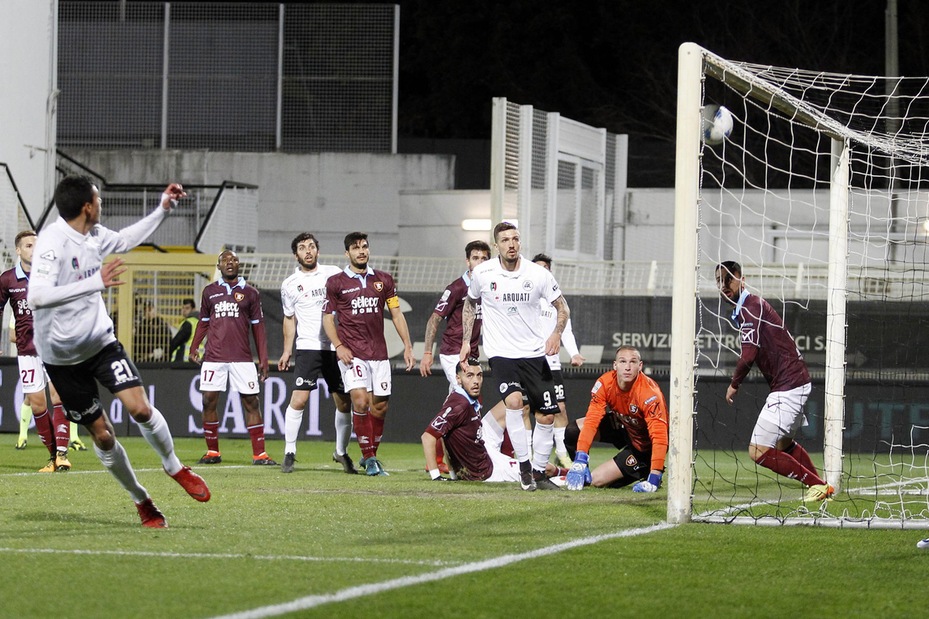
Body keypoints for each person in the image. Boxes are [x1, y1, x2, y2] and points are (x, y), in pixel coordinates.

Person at [27, 175, 210, 528]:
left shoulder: (94, 236)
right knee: (104, 435)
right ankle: (142, 500)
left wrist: (163, 209)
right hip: (62, 358)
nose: (101, 204)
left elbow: (126, 239)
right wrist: (95, 283)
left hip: (100, 343)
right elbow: (36, 296)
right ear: (86, 207)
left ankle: (173, 465)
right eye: (98, 199)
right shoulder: (52, 242)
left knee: (141, 409)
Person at [460, 221, 569, 491]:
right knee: (514, 401)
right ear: (497, 245)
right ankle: (524, 466)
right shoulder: (484, 273)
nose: (512, 244)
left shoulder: (537, 274)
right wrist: (465, 340)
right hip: (501, 353)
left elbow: (561, 307)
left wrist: (556, 334)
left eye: (516, 239)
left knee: (546, 416)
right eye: (506, 240)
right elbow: (470, 303)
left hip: (533, 354)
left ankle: (540, 471)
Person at [716, 260, 833, 502]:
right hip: (794, 380)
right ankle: (821, 485)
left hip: (789, 384)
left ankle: (818, 485)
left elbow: (749, 354)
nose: (724, 285)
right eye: (719, 280)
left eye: (729, 278)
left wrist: (734, 384)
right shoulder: (747, 308)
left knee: (757, 450)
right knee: (783, 444)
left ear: (742, 279)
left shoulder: (750, 306)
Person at [322, 232, 415, 476]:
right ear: (347, 253)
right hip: (353, 353)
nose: (361, 251)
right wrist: (339, 346)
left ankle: (369, 453)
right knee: (361, 401)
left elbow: (396, 313)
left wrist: (407, 345)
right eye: (356, 248)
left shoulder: (383, 280)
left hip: (379, 353)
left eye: (364, 247)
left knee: (380, 407)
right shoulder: (336, 282)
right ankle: (370, 458)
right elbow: (328, 319)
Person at [189, 250, 276, 466]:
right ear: (219, 266)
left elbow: (259, 329)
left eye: (234, 260)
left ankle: (260, 455)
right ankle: (212, 452)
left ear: (239, 265)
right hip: (213, 357)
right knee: (208, 400)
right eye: (225, 260)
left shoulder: (251, 293)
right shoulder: (210, 291)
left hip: (242, 358)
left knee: (251, 402)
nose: (230, 263)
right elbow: (203, 322)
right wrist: (194, 346)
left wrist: (263, 358)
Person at [278, 232, 354, 474]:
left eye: (311, 246)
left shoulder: (333, 274)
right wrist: (286, 350)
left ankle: (341, 452)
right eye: (302, 247)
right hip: (308, 347)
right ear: (296, 255)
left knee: (344, 402)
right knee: (299, 399)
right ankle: (289, 452)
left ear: (318, 251)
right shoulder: (289, 284)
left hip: (335, 347)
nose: (308, 251)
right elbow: (289, 319)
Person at [422, 357, 564, 483]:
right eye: (469, 376)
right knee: (545, 469)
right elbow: (428, 436)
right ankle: (571, 473)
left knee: (515, 401)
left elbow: (446, 434)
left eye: (479, 376)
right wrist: (436, 476)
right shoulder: (460, 405)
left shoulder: (464, 398)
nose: (476, 381)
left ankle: (525, 454)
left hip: (483, 446)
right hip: (487, 470)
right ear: (458, 379)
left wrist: (454, 473)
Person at [1, 230, 73, 471]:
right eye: (29, 245)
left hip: (55, 347)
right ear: (19, 250)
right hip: (27, 351)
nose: (35, 248)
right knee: (37, 404)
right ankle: (53, 457)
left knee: (59, 397)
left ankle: (62, 453)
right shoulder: (8, 280)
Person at [419, 239, 491, 473]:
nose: (480, 262)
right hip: (452, 353)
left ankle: (444, 457)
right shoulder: (457, 288)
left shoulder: (489, 286)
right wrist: (428, 352)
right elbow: (434, 319)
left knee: (456, 403)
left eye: (484, 258)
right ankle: (444, 458)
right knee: (468, 399)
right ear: (467, 261)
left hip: (471, 353)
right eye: (476, 258)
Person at [565, 346, 668, 491]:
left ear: (640, 366)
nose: (627, 367)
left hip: (643, 446)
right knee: (572, 430)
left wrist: (655, 476)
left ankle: (645, 470)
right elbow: (592, 421)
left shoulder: (649, 394)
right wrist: (580, 459)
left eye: (632, 362)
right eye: (623, 361)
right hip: (623, 427)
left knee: (597, 481)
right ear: (615, 365)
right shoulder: (605, 383)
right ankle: (581, 470)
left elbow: (659, 436)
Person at [532, 253, 585, 468]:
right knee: (530, 410)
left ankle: (562, 455)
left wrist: (573, 353)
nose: (542, 271)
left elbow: (566, 331)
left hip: (552, 364)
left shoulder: (558, 301)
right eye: (538, 267)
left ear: (550, 271)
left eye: (545, 267)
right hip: (531, 363)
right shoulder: (528, 297)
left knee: (560, 409)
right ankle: (527, 455)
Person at [169, 298, 199, 363]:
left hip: (185, 359)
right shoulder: (200, 322)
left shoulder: (189, 323)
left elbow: (177, 341)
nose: (184, 310)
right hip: (198, 358)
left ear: (193, 309)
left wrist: (169, 350)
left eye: (187, 308)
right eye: (183, 308)